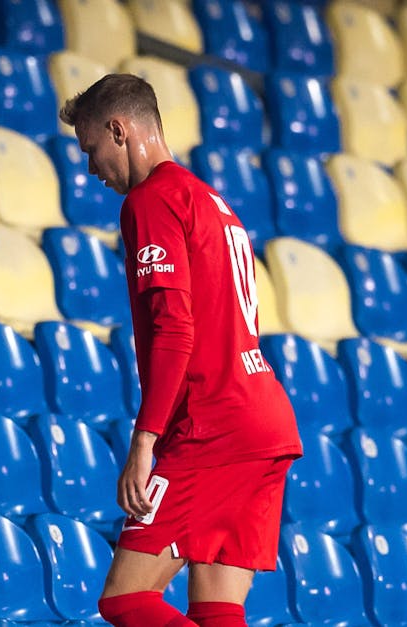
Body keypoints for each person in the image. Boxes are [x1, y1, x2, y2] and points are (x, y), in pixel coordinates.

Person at [58, 74, 304, 627]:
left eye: (91, 150)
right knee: (216, 611)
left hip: (214, 424)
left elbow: (175, 329)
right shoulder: (213, 201)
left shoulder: (152, 201)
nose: (92, 170)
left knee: (124, 598)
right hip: (263, 420)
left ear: (118, 130)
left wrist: (145, 440)